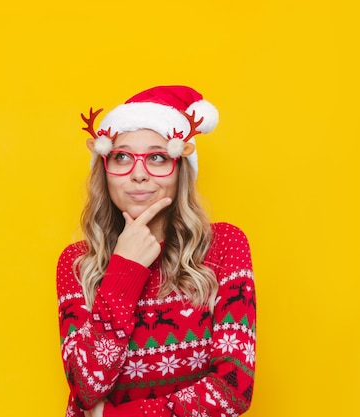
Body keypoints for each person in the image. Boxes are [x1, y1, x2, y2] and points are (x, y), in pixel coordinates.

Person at [56, 85, 256, 417]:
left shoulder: (224, 246)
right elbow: (87, 388)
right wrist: (124, 271)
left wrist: (114, 416)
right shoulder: (78, 264)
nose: (138, 174)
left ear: (181, 171)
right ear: (103, 172)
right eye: (121, 157)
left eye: (157, 157)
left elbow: (233, 387)